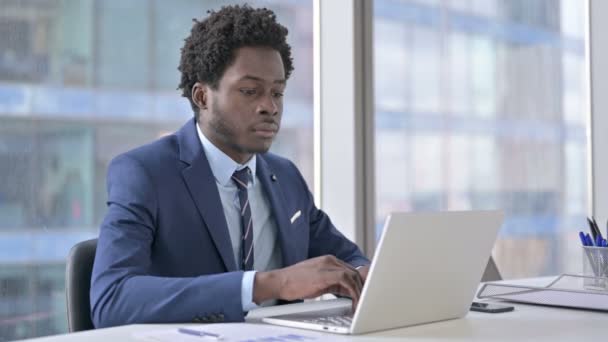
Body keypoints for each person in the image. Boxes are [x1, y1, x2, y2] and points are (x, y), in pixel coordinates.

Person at [90, 4, 370, 328]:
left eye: (277, 92)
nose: (270, 107)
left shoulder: (286, 178)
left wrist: (364, 276)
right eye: (250, 91)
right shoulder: (144, 173)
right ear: (202, 96)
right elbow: (111, 299)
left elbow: (348, 259)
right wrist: (268, 284)